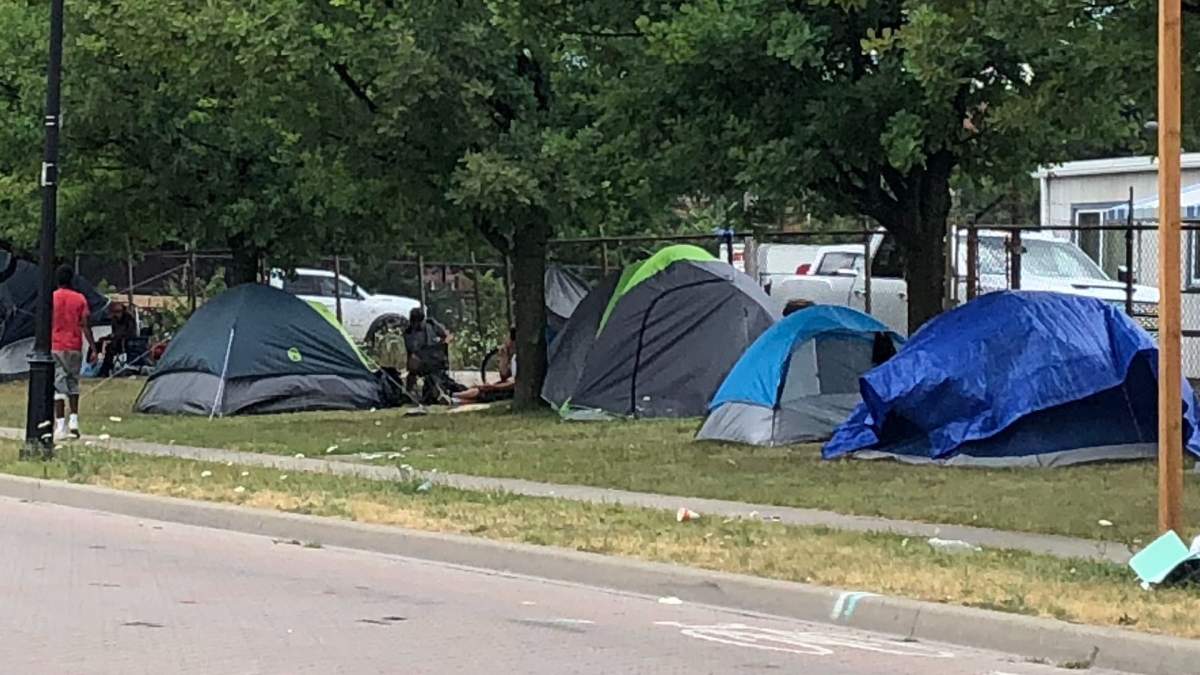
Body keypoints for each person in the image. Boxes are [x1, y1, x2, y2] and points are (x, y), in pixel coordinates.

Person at [51, 265, 96, 439]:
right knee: (73, 383)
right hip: (75, 345)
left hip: (56, 345)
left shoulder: (51, 298)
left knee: (59, 385)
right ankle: (74, 421)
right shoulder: (80, 299)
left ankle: (60, 426)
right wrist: (93, 347)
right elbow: (85, 324)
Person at [403, 307, 463, 403]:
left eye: (419, 322)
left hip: (435, 357)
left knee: (436, 375)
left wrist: (443, 345)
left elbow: (447, 336)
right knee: (413, 371)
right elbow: (410, 352)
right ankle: (409, 394)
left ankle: (440, 392)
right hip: (420, 360)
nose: (417, 325)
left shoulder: (431, 325)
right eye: (414, 323)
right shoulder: (408, 333)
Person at [97, 301, 137, 377]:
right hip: (116, 341)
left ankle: (106, 369)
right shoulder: (114, 320)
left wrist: (116, 336)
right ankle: (98, 367)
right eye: (114, 312)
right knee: (100, 344)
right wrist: (107, 337)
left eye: (118, 312)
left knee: (110, 348)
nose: (116, 314)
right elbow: (114, 332)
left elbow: (130, 333)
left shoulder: (129, 318)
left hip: (127, 342)